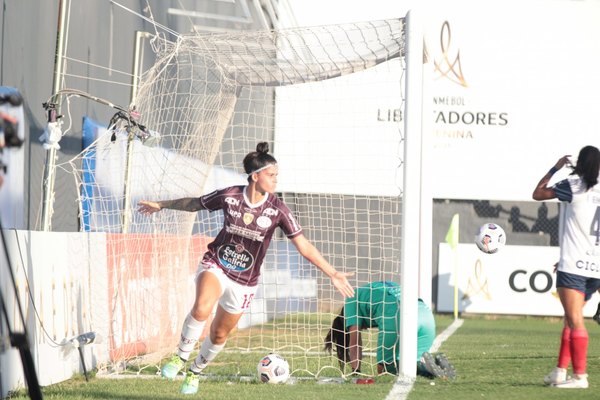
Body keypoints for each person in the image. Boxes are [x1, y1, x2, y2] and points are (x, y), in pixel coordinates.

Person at [138, 142, 355, 395]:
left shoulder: (278, 209)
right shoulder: (229, 195)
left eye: (276, 176)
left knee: (219, 335)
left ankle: (195, 371)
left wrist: (332, 272)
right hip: (217, 264)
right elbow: (196, 203)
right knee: (202, 307)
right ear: (255, 176)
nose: (275, 181)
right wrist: (161, 205)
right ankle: (180, 358)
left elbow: (303, 245)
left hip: (245, 282)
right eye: (271, 175)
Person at [532, 145, 600, 389]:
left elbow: (538, 193)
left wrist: (556, 167)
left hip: (574, 267)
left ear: (580, 163)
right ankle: (560, 371)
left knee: (576, 321)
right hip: (595, 268)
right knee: (571, 319)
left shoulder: (574, 185)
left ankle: (580, 377)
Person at [324, 281, 455, 379]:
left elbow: (354, 342)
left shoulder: (351, 299)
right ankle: (435, 368)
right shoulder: (378, 288)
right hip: (425, 315)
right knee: (410, 362)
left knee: (384, 369)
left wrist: (355, 372)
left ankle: (425, 368)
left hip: (397, 315)